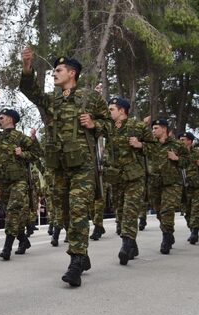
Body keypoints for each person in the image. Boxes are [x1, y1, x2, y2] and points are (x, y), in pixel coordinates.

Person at [20, 48, 112, 287]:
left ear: (72, 73)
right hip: (59, 166)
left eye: (58, 71)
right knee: (65, 214)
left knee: (79, 210)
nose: (54, 74)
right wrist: (27, 68)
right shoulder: (53, 99)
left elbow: (111, 126)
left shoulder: (89, 97)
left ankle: (76, 261)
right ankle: (82, 253)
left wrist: (94, 123)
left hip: (82, 165)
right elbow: (31, 92)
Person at [0, 90, 41, 260]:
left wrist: (22, 154)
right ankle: (23, 240)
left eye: (1, 117)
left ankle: (7, 247)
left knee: (13, 210)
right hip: (5, 181)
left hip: (19, 181)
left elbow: (37, 154)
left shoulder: (20, 138)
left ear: (10, 119)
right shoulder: (0, 137)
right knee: (12, 215)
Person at [102, 97, 154, 264]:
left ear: (122, 111)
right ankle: (132, 244)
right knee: (120, 214)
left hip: (134, 177)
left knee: (130, 211)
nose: (109, 112)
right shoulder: (108, 128)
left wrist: (141, 145)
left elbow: (157, 149)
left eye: (111, 109)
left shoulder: (137, 127)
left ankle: (125, 246)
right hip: (116, 178)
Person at [148, 119, 187, 254]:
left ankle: (166, 237)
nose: (153, 131)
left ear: (164, 129)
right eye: (152, 128)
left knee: (167, 210)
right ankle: (167, 232)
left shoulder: (177, 145)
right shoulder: (151, 145)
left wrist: (177, 159)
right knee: (159, 211)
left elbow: (188, 162)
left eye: (156, 128)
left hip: (172, 183)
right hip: (155, 183)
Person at [179, 132, 199, 244]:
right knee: (187, 211)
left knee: (196, 210)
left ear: (190, 141)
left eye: (183, 140)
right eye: (180, 140)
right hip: (182, 188)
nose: (180, 142)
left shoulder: (197, 153)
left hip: (196, 186)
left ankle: (194, 232)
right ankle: (192, 229)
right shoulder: (177, 154)